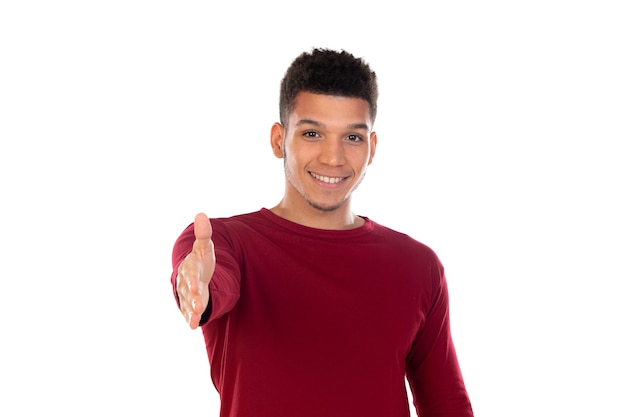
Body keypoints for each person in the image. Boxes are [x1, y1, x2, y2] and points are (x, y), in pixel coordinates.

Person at [170, 48, 474, 417]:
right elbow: (216, 280)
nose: (333, 157)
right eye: (312, 133)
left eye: (352, 138)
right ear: (278, 140)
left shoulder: (418, 265)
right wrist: (200, 288)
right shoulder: (221, 244)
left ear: (372, 148)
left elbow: (447, 404)